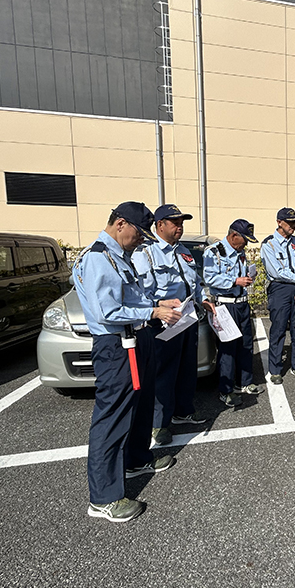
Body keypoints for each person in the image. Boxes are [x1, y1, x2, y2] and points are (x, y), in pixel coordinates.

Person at [73, 202, 182, 523]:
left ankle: (136, 459)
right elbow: (106, 310)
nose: (141, 240)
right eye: (138, 233)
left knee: (141, 403)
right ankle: (103, 497)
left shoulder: (119, 256)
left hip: (138, 338)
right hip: (117, 345)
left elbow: (128, 297)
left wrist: (157, 302)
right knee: (113, 416)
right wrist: (152, 312)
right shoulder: (97, 257)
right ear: (120, 224)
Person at [132, 204, 207, 447]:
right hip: (163, 323)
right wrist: (158, 304)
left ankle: (183, 410)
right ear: (159, 225)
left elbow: (194, 283)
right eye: (174, 222)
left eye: (181, 222)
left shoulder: (184, 251)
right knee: (163, 373)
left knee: (186, 369)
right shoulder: (146, 253)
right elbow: (140, 294)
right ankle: (159, 423)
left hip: (187, 317)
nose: (179, 226)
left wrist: (204, 298)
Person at [203, 219, 262, 407]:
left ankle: (244, 382)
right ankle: (226, 390)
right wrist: (235, 281)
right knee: (227, 349)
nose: (245, 244)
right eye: (244, 239)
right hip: (225, 305)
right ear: (233, 235)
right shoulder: (214, 252)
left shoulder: (240, 252)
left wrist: (248, 277)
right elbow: (209, 277)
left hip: (242, 303)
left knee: (246, 345)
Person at [260, 207, 295, 384]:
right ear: (279, 222)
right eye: (289, 222)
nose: (293, 226)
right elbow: (277, 271)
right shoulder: (269, 244)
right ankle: (275, 369)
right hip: (279, 289)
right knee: (279, 329)